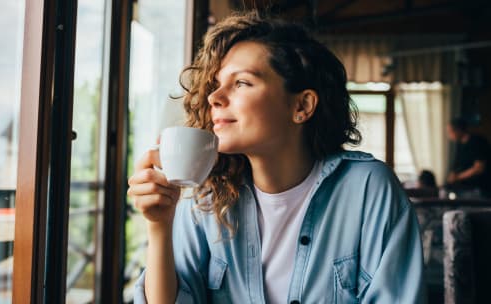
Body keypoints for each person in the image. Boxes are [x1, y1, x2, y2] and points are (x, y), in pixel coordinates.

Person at [129, 11, 425, 303]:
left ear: (302, 105)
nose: (214, 98)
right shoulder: (206, 198)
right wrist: (159, 226)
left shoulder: (369, 189)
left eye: (242, 82)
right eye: (216, 84)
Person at [446, 117, 490, 196]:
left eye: (450, 132)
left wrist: (457, 177)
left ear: (458, 130)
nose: (449, 136)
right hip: (465, 189)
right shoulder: (460, 145)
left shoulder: (477, 142)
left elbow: (479, 168)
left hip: (479, 189)